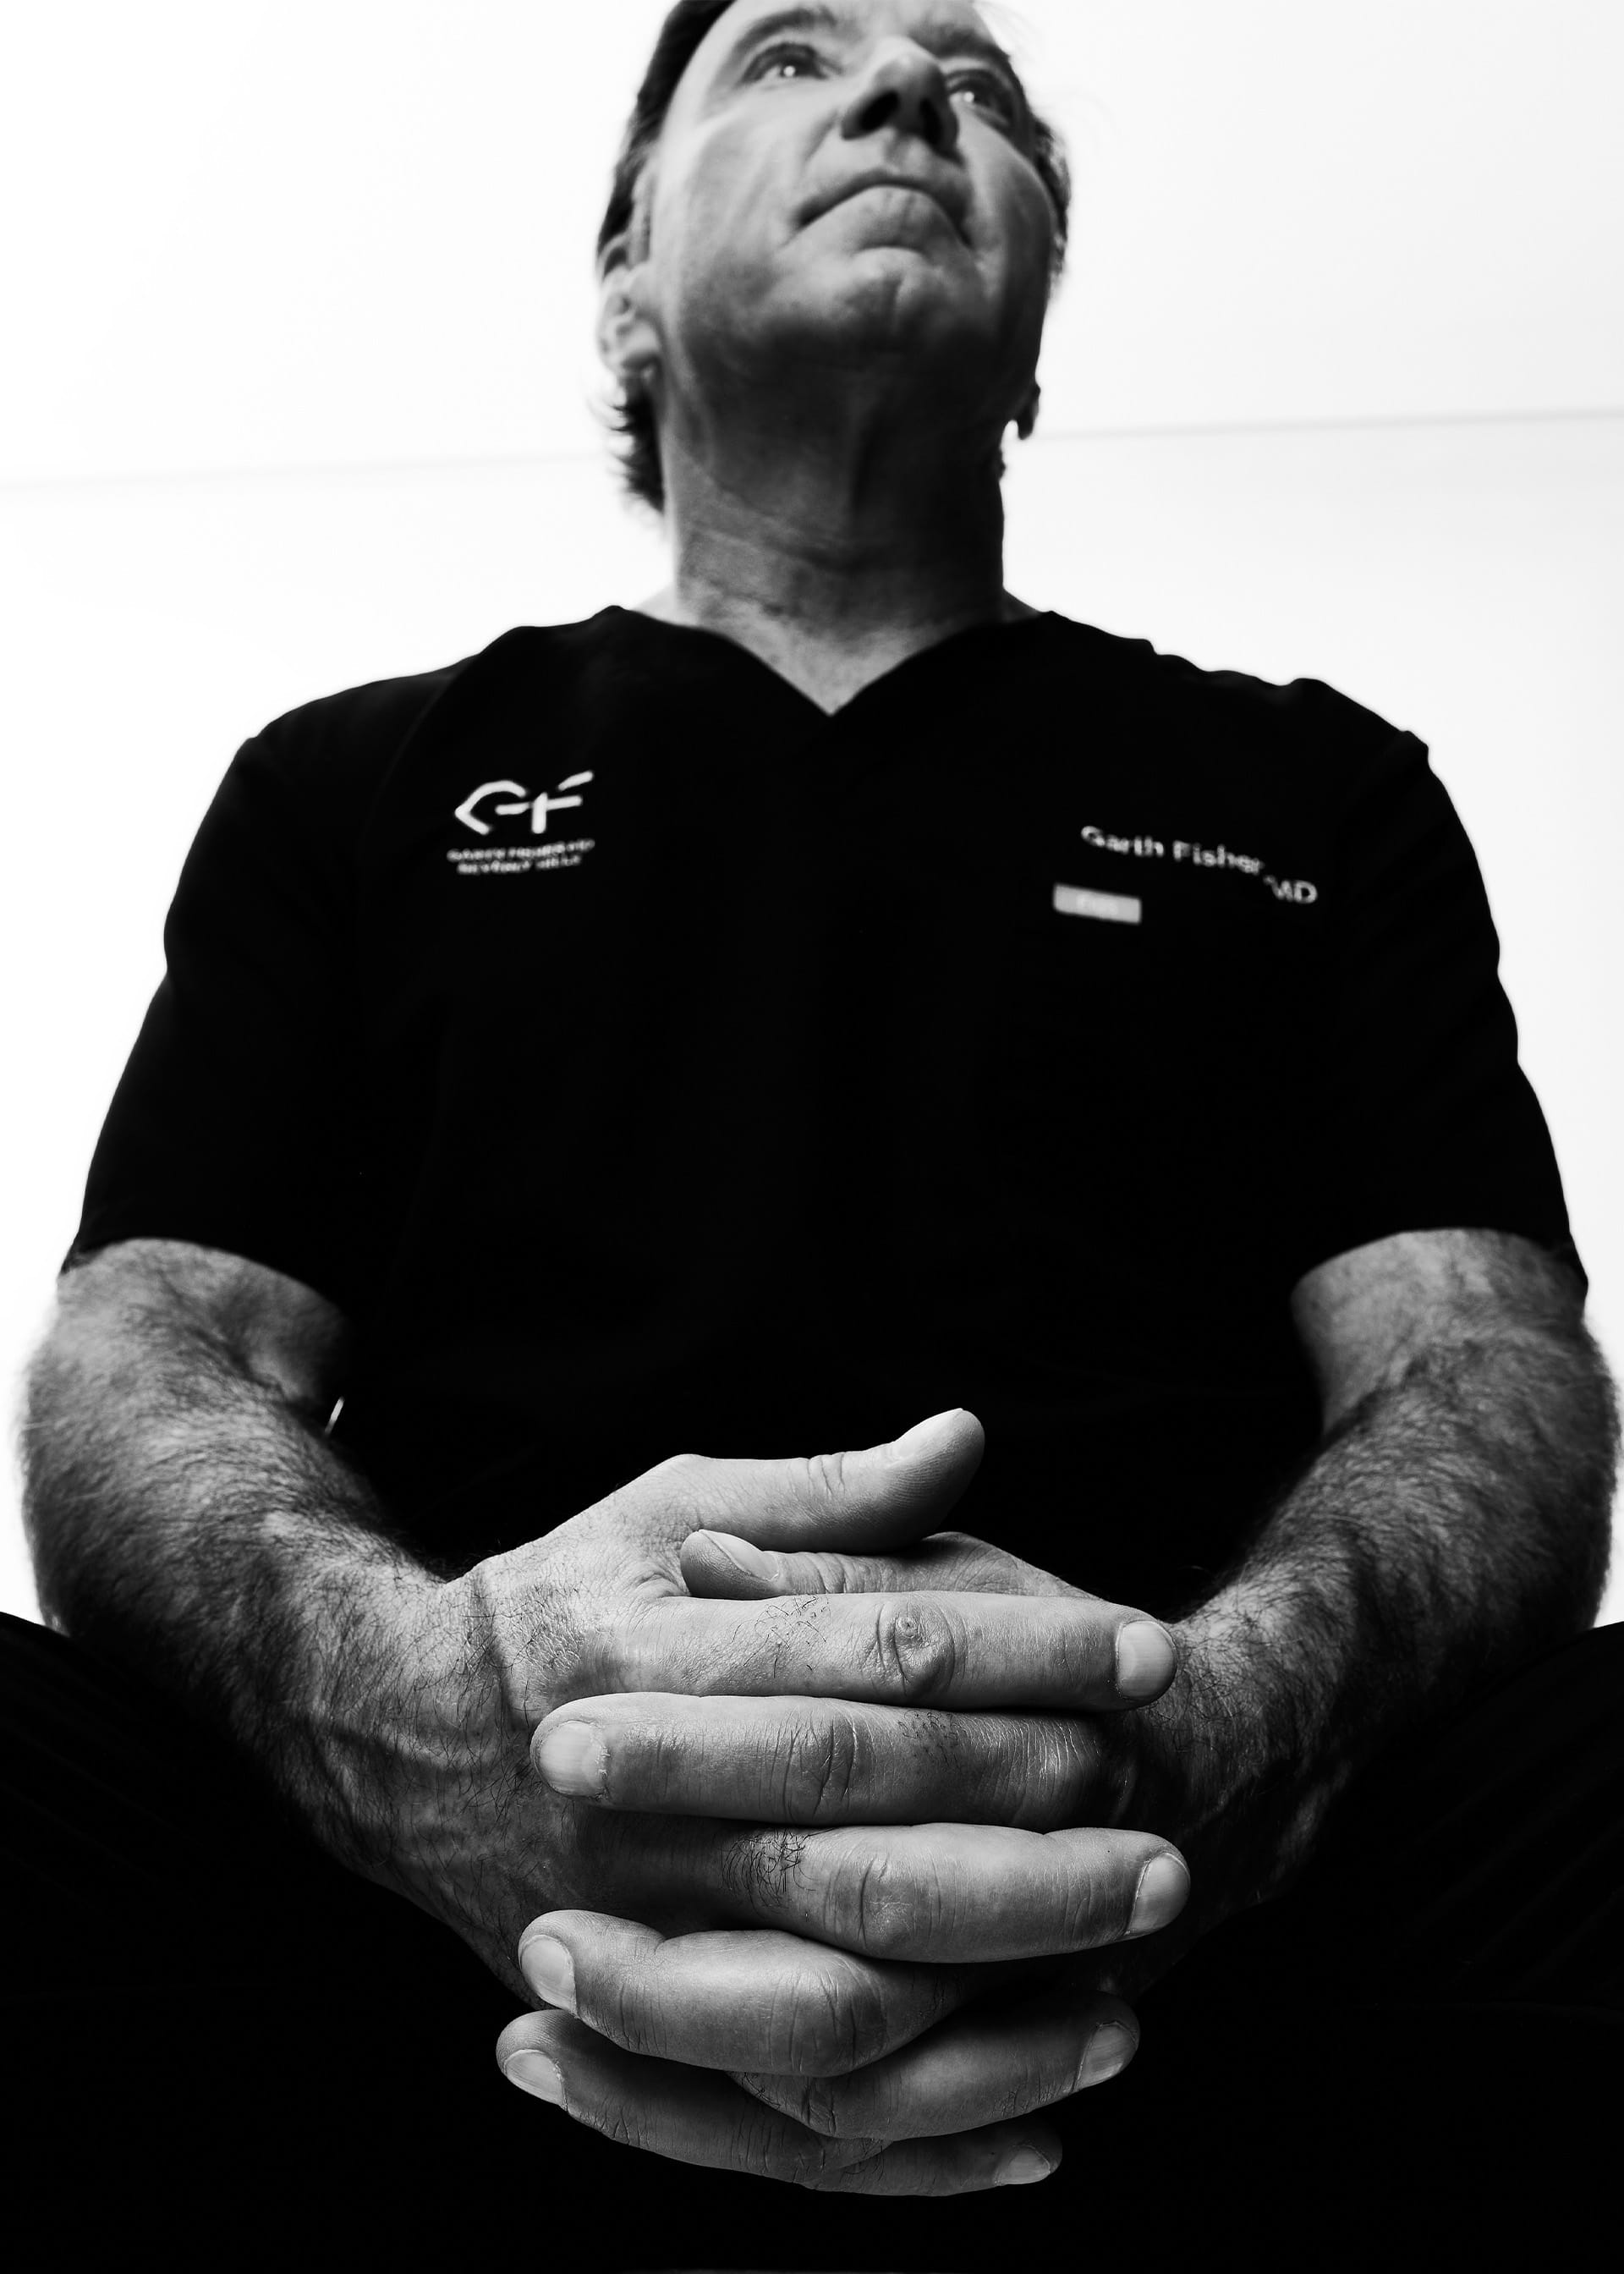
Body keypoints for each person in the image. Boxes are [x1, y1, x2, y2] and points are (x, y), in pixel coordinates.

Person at [10, 1, 1621, 2266]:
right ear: (627, 290)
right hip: (447, 1946)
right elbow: (150, 1356)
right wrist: (420, 1722)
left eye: (981, 90)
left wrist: (1213, 1739)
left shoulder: (1315, 792)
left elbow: (1484, 1370)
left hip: (1209, 1946)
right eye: (789, 57)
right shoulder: (353, 786)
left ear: (1036, 337)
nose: (904, 95)